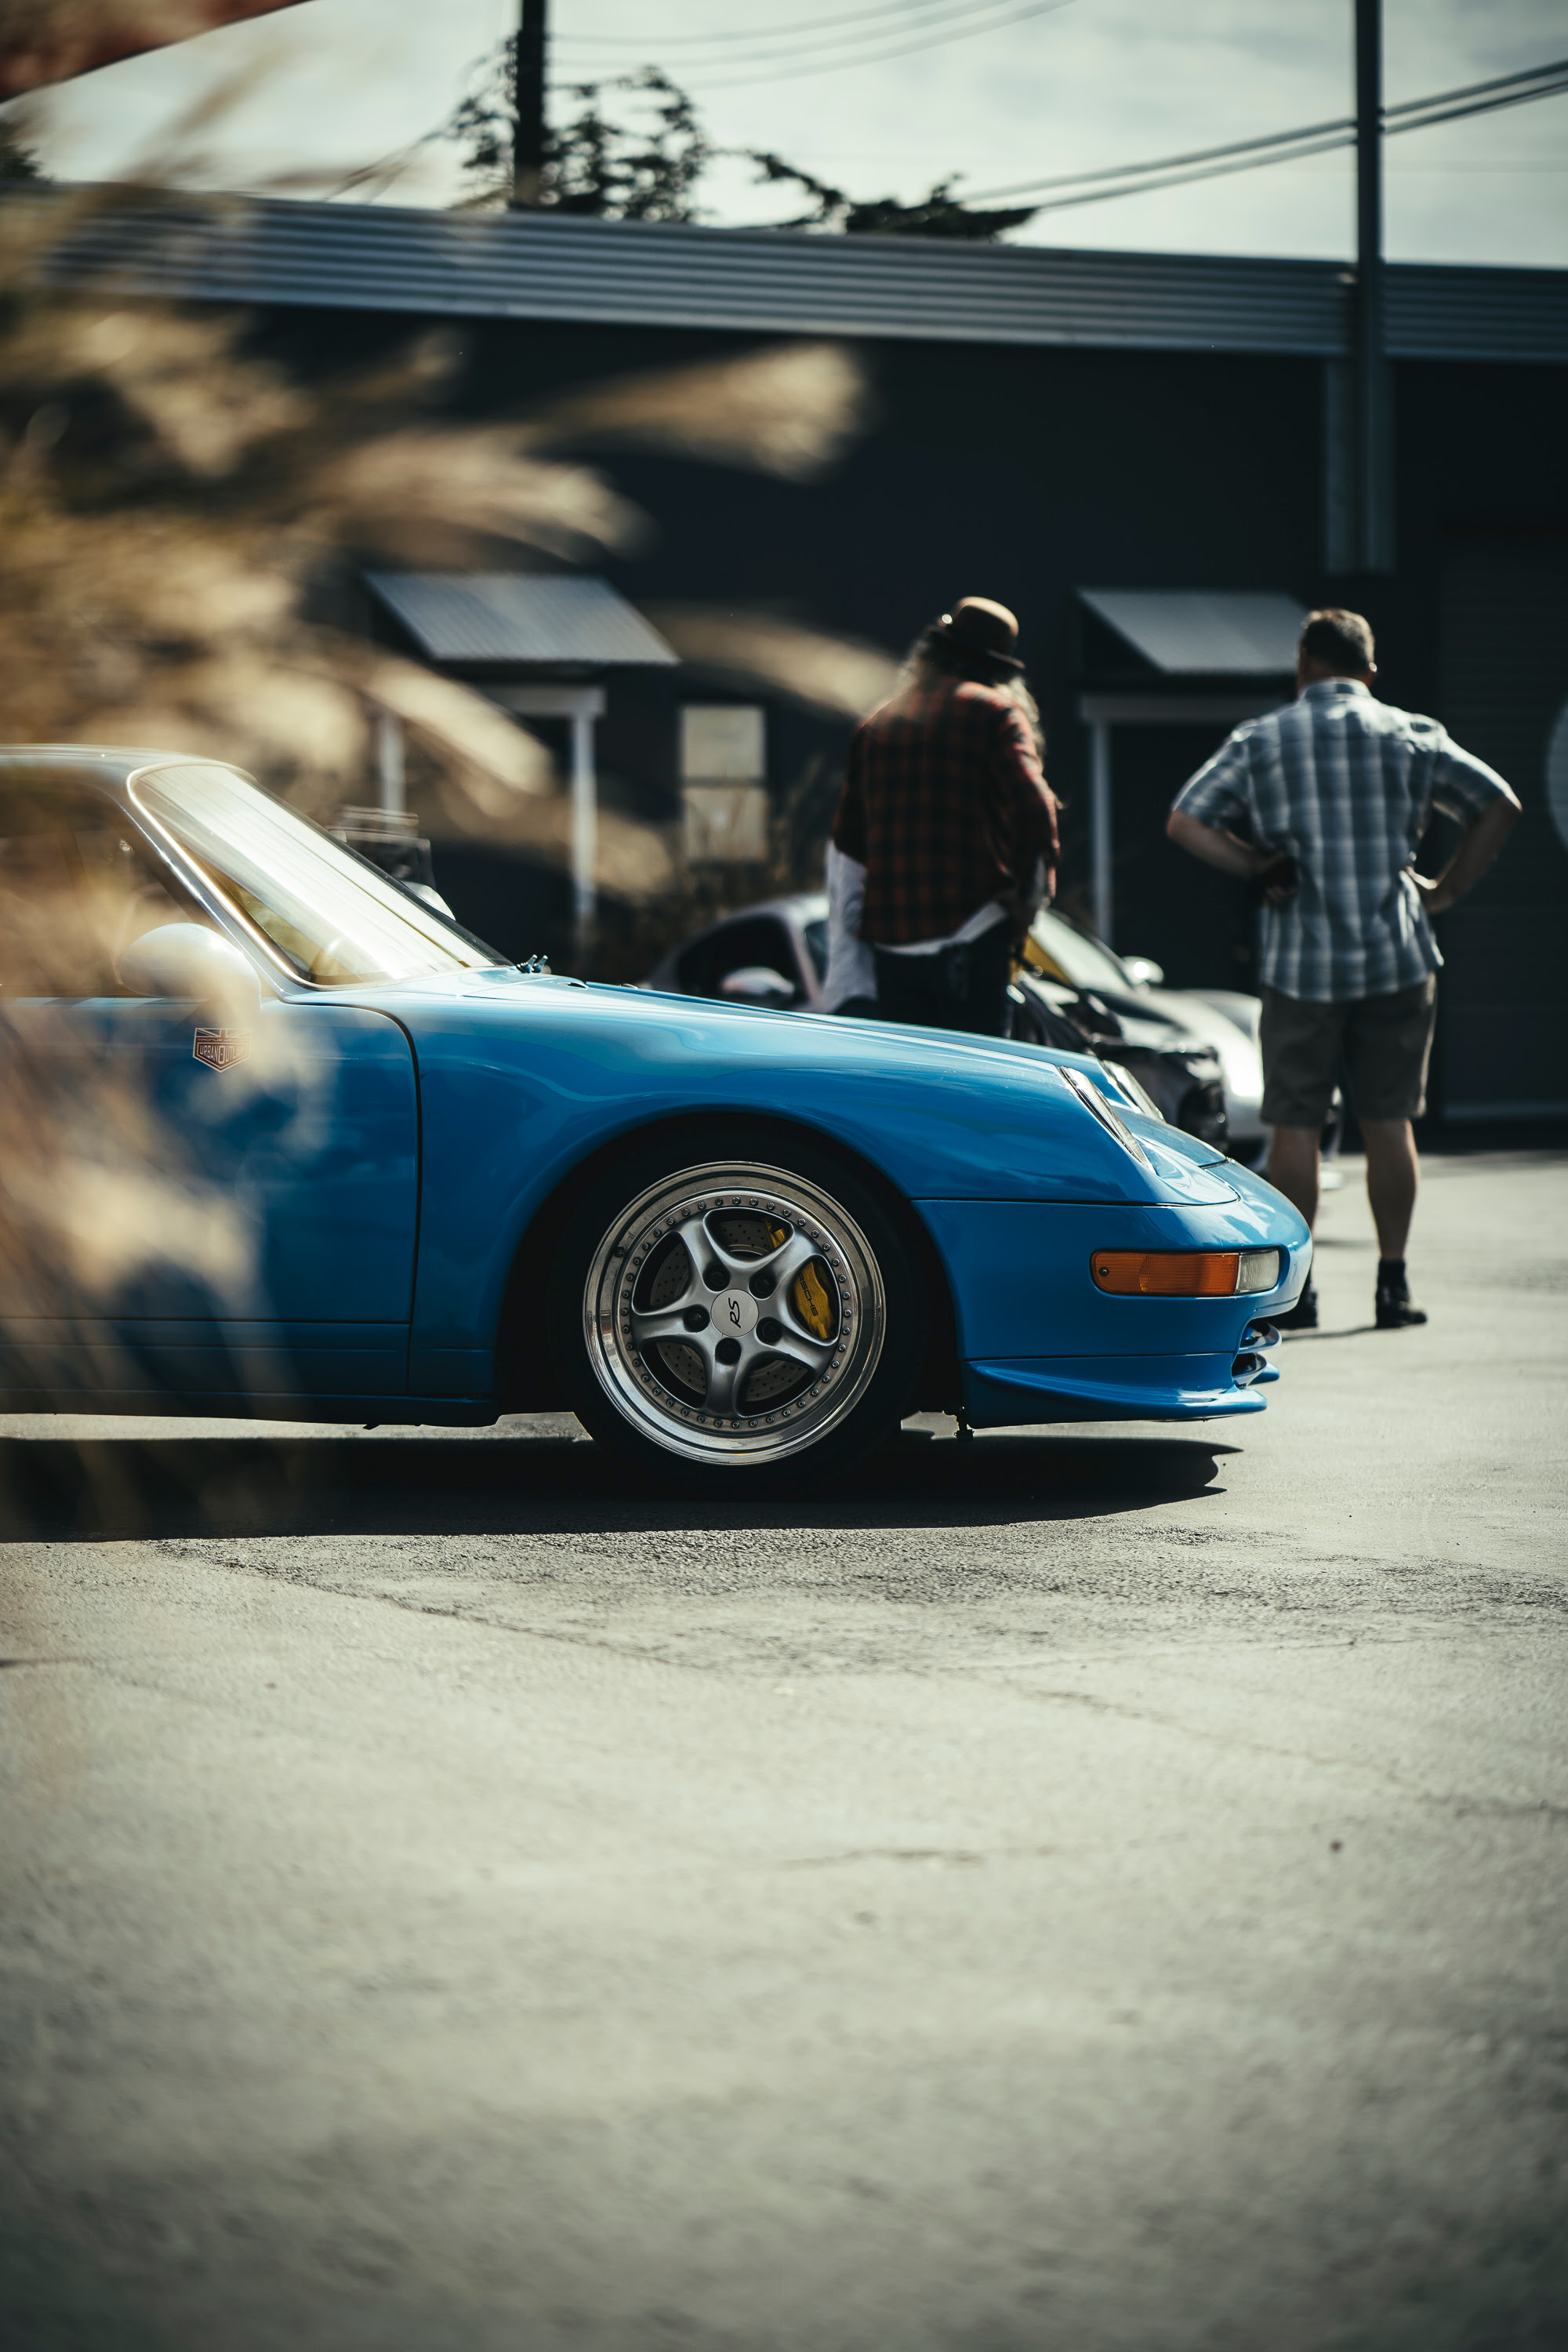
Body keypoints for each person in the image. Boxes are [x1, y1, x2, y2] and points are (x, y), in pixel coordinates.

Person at [1167, 607, 1520, 1330]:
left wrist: (1254, 862)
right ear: (1370, 671)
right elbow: (1499, 805)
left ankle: (1300, 1293)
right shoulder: (1413, 735)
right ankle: (1393, 1286)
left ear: (1304, 665)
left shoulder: (1263, 740)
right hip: (1397, 954)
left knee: (1296, 1127)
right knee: (1390, 1123)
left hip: (1301, 963)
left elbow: (1186, 819)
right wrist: (1443, 892)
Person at [830, 597, 1058, 1037]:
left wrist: (857, 930)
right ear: (998, 668)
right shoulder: (995, 713)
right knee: (980, 1081)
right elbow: (1035, 807)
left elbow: (849, 846)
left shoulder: (876, 725)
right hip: (972, 936)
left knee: (914, 1088)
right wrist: (1027, 903)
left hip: (894, 946)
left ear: (932, 651)